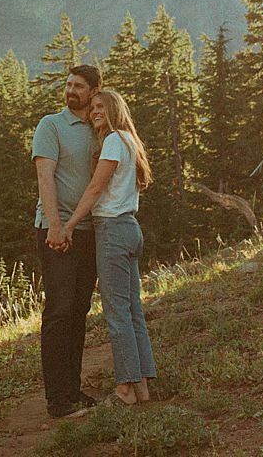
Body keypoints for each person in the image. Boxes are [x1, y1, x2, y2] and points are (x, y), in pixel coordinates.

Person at [61, 88, 156, 407]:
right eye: (92, 108)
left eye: (101, 106)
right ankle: (142, 386)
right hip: (130, 228)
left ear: (115, 109)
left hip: (112, 230)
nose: (94, 112)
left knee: (117, 314)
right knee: (132, 311)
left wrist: (69, 223)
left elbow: (95, 188)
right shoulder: (131, 141)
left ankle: (126, 390)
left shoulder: (114, 141)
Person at [32, 64, 103, 418]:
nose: (71, 90)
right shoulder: (51, 125)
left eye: (78, 86)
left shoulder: (98, 128)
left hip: (89, 230)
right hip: (56, 230)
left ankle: (72, 392)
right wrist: (56, 226)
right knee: (59, 312)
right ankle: (57, 400)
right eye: (68, 84)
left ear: (93, 91)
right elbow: (45, 177)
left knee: (79, 311)